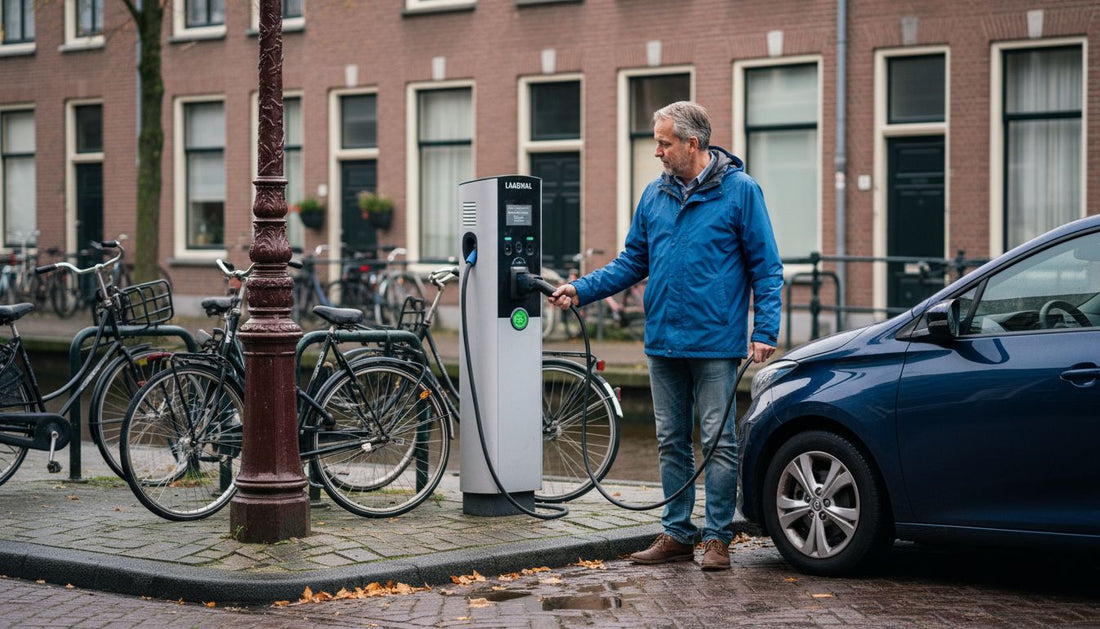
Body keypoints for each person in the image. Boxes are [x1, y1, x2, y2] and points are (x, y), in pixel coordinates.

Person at [548, 101, 783, 571]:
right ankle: (678, 533)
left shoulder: (740, 192)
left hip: (716, 342)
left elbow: (767, 266)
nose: (656, 151)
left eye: (663, 142)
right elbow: (631, 262)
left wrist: (766, 329)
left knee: (717, 441)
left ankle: (717, 537)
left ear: (692, 144)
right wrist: (580, 289)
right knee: (671, 439)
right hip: (663, 339)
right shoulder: (654, 196)